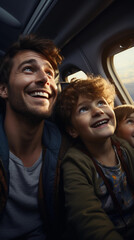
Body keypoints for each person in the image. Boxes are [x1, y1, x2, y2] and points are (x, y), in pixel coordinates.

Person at [55, 75, 134, 240]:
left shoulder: (124, 148)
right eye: (83, 109)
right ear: (72, 130)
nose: (98, 111)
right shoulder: (75, 162)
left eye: (101, 103)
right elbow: (86, 216)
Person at [0, 34, 62, 240]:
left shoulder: (67, 149)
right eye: (28, 69)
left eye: (49, 73)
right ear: (3, 89)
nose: (45, 79)